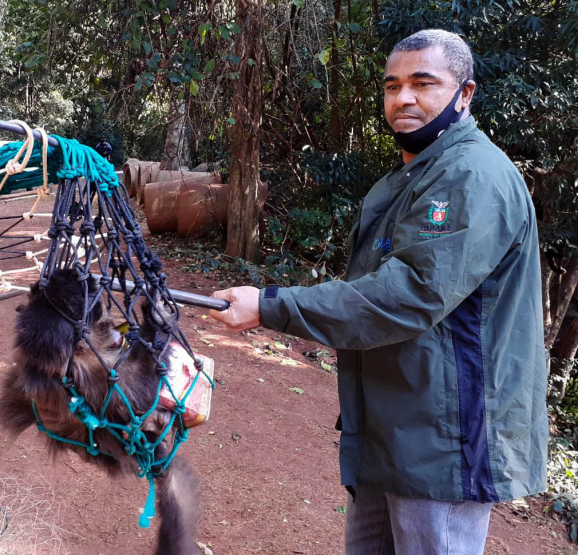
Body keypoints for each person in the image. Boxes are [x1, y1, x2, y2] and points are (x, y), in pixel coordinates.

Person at [209, 29, 547, 555]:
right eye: (392, 86)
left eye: (422, 83)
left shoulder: (471, 177)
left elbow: (407, 293)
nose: (403, 98)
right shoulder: (408, 178)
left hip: (445, 444)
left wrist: (273, 305)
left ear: (465, 94)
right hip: (392, 429)